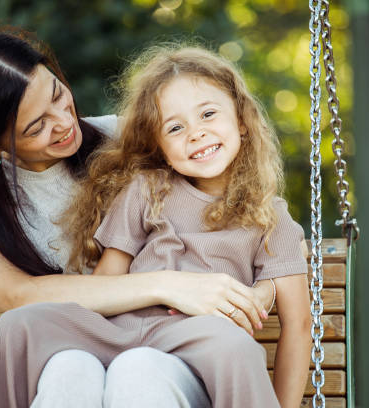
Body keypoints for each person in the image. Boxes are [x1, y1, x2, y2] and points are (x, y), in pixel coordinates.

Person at [0, 30, 278, 408]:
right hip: (67, 349)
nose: (64, 122)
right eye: (36, 127)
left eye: (57, 94)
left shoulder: (124, 140)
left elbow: (242, 200)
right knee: (70, 371)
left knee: (138, 373)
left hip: (167, 356)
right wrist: (166, 284)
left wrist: (264, 287)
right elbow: (20, 296)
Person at [66, 46, 313, 408]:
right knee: (97, 361)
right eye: (176, 127)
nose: (196, 134)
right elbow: (105, 288)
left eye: (209, 114)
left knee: (137, 369)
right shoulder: (146, 191)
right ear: (160, 147)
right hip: (127, 350)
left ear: (241, 122)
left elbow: (299, 325)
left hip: (201, 372)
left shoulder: (270, 219)